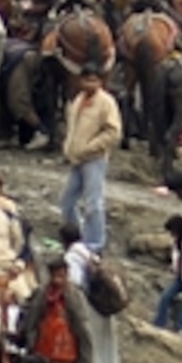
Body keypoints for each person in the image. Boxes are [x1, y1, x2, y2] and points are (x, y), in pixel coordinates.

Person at [59, 68, 120, 252]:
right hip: (77, 158)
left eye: (93, 81)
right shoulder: (78, 100)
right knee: (67, 200)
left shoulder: (106, 103)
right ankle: (76, 236)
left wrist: (90, 147)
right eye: (86, 80)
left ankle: (95, 243)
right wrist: (68, 148)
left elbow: (113, 133)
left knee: (93, 203)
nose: (89, 84)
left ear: (100, 82)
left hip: (94, 159)